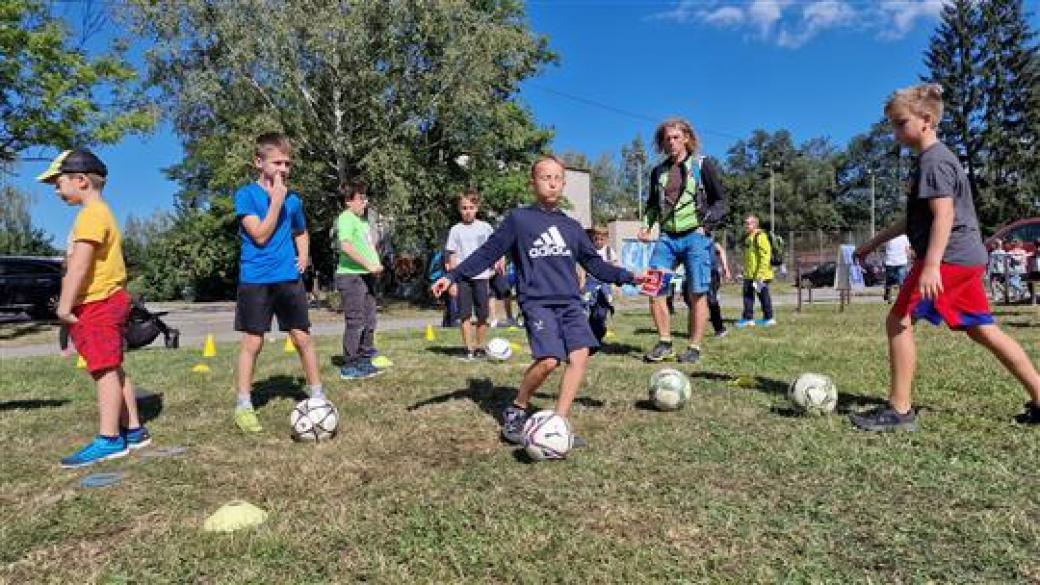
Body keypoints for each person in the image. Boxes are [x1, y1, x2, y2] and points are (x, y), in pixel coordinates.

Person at [850, 83, 1040, 431]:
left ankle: (900, 410)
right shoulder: (932, 160)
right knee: (983, 330)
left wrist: (932, 265)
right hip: (966, 257)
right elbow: (914, 220)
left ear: (925, 120)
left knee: (898, 322)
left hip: (949, 257)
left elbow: (944, 216)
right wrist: (871, 244)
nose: (894, 131)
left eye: (899, 122)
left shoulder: (934, 161)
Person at [431, 155, 645, 447]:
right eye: (546, 177)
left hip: (570, 302)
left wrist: (631, 277)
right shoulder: (519, 220)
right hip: (537, 302)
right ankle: (517, 407)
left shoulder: (572, 227)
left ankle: (558, 422)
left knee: (579, 356)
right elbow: (487, 253)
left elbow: (596, 265)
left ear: (564, 183)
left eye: (558, 178)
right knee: (548, 360)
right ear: (533, 183)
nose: (552, 183)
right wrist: (453, 275)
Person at [37, 149, 151, 467]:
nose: (56, 190)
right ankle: (134, 430)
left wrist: (63, 305)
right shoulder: (101, 213)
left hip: (98, 302)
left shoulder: (90, 216)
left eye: (58, 183)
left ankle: (109, 438)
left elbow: (79, 266)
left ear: (81, 180)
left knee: (102, 370)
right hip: (108, 299)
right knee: (111, 366)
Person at [232, 133, 325, 433]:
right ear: (259, 162)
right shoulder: (245, 195)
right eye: (277, 162)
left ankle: (318, 396)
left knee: (302, 338)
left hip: (288, 278)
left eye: (287, 163)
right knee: (253, 342)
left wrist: (303, 255)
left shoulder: (293, 200)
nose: (284, 169)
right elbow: (259, 235)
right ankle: (244, 405)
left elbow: (301, 230)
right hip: (256, 280)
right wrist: (275, 202)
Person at [639, 117, 727, 364]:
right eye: (667, 138)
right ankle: (664, 342)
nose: (672, 142)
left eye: (676, 137)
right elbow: (652, 206)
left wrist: (706, 225)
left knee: (696, 293)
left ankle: (694, 346)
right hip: (666, 237)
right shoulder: (658, 172)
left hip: (695, 237)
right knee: (654, 288)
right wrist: (646, 225)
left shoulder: (702, 164)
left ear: (686, 138)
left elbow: (721, 202)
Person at [334, 181, 386, 379]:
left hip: (367, 276)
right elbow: (346, 247)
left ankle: (365, 358)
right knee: (355, 321)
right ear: (348, 201)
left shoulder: (363, 222)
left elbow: (368, 248)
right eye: (361, 198)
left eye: (365, 197)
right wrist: (369, 265)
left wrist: (377, 264)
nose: (365, 202)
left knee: (370, 320)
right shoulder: (346, 218)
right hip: (351, 276)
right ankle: (350, 364)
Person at [445, 189, 495, 360]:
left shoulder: (486, 227)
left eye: (471, 207)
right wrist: (452, 281)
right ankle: (469, 349)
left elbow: (495, 248)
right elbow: (452, 255)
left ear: (477, 208)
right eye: (464, 208)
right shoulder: (455, 230)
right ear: (459, 209)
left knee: (482, 315)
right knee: (465, 314)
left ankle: (480, 347)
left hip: (481, 277)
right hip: (463, 279)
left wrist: (497, 263)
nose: (467, 211)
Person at [736, 215, 776, 327]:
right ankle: (749, 318)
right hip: (750, 274)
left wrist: (760, 274)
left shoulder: (760, 236)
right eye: (745, 223)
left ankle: (768, 318)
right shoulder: (749, 237)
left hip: (759, 275)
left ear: (755, 224)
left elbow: (765, 256)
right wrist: (744, 272)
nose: (746, 225)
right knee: (748, 295)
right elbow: (750, 258)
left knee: (762, 296)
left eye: (749, 223)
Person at [708, 237, 731, 337]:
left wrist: (726, 268)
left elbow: (721, 250)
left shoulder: (709, 238)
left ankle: (719, 329)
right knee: (691, 301)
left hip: (711, 272)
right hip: (695, 272)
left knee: (711, 300)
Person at [881, 233, 911, 303]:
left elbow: (907, 249)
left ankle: (902, 298)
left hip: (901, 262)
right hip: (890, 262)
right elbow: (884, 247)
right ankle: (888, 295)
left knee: (901, 281)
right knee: (890, 281)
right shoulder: (889, 236)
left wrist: (908, 260)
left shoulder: (904, 237)